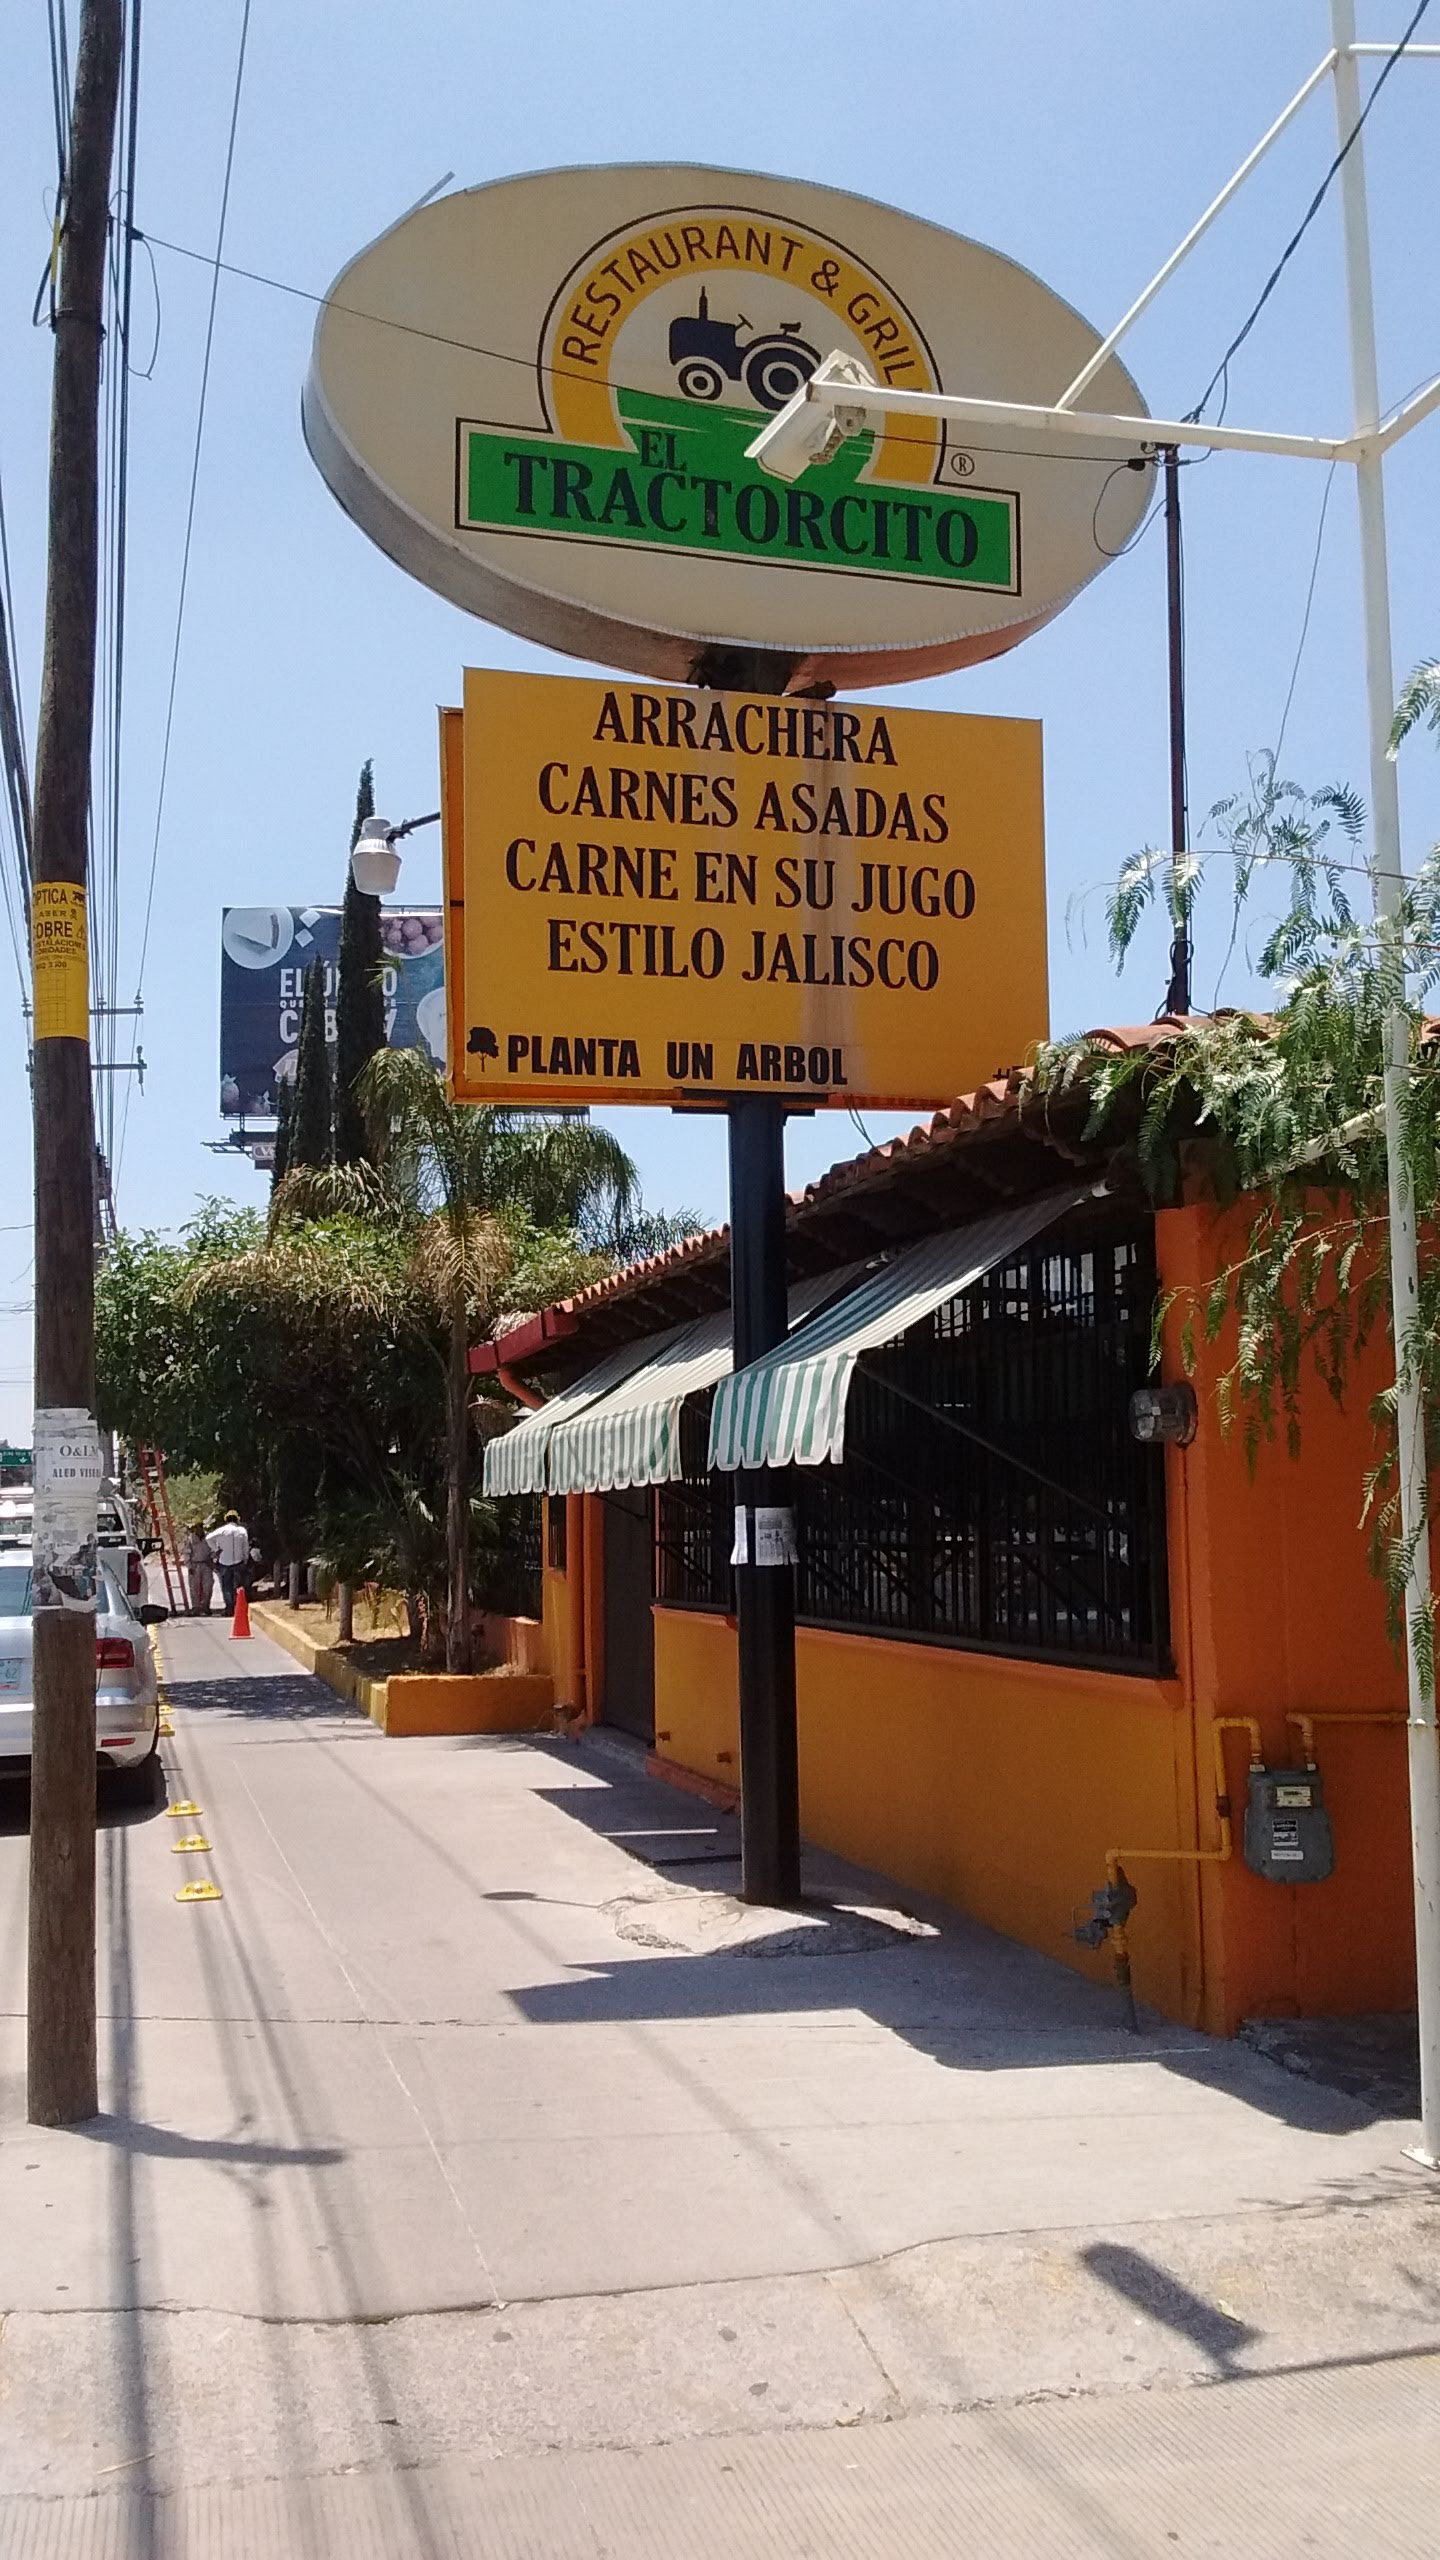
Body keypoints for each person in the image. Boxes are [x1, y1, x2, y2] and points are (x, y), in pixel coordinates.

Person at [207, 1510, 251, 1615]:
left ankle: (229, 1608)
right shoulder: (242, 1531)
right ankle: (240, 1606)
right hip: (239, 1562)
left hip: (224, 1562)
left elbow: (208, 1538)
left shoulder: (222, 1530)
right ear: (237, 1519)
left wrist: (217, 1549)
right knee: (241, 1585)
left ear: (226, 1519)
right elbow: (245, 1546)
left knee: (226, 1586)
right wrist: (246, 1558)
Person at [185, 1520, 214, 1616]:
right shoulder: (191, 1539)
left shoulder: (209, 1538)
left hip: (206, 1564)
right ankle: (196, 1607)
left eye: (200, 1526)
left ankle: (205, 1606)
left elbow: (213, 1550)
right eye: (197, 1527)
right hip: (195, 1564)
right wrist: (189, 1566)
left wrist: (213, 1560)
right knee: (194, 1587)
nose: (199, 1529)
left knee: (208, 1586)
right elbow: (187, 1553)